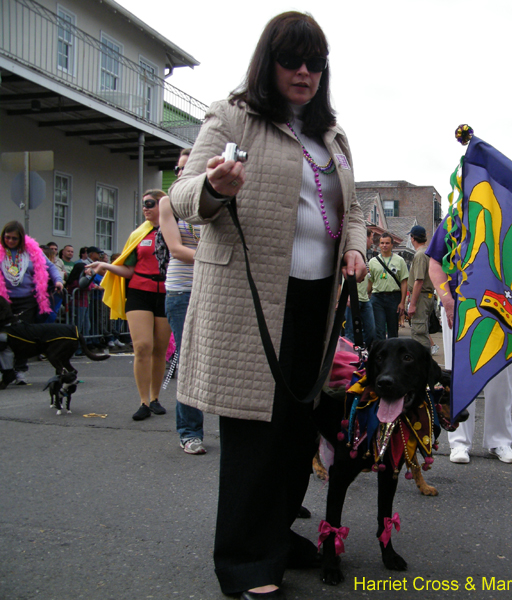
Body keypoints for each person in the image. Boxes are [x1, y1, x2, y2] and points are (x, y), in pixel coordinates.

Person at [167, 12, 367, 599]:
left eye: (315, 62)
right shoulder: (234, 117)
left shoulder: (332, 135)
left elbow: (352, 210)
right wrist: (215, 186)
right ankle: (246, 564)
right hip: (249, 298)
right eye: (291, 60)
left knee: (299, 433)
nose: (304, 72)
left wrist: (354, 250)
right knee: (257, 434)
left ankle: (275, 536)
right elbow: (182, 196)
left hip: (314, 300)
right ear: (269, 63)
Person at [427, 224, 512, 464]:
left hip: (502, 307)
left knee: (501, 376)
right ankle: (458, 442)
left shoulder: (506, 212)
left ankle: (500, 440)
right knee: (461, 375)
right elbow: (435, 262)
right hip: (460, 308)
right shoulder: (452, 221)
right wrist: (446, 299)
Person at [89, 191, 171, 421]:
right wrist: (105, 266)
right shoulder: (138, 233)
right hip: (139, 293)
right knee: (143, 346)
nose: (145, 208)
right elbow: (128, 269)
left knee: (159, 350)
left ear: (163, 204)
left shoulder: (175, 229)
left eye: (150, 204)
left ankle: (155, 398)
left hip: (166, 293)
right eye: (143, 204)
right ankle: (143, 401)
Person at [160, 150, 207, 455]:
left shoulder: (213, 203)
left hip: (214, 289)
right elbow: (176, 249)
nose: (179, 175)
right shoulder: (168, 203)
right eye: (177, 169)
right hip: (182, 291)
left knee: (220, 360)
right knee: (189, 360)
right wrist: (215, 257)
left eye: (186, 169)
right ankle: (189, 432)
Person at [0, 221, 64, 383]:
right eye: (7, 238)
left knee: (21, 336)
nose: (10, 241)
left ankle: (20, 370)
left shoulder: (32, 252)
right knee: (3, 336)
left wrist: (58, 281)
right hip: (3, 302)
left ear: (21, 238)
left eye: (14, 238)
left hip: (27, 301)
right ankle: (6, 370)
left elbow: (50, 267)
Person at [368, 232, 408, 339]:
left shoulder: (399, 261)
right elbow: (370, 282)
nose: (384, 245)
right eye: (382, 243)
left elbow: (404, 281)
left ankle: (393, 354)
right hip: (377, 298)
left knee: (393, 329)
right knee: (379, 330)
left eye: (387, 243)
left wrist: (402, 302)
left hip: (393, 297)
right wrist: (366, 297)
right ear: (379, 245)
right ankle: (381, 354)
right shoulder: (372, 262)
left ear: (392, 245)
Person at [406, 225, 435, 351]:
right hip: (427, 296)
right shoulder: (429, 253)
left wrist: (412, 304)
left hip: (421, 297)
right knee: (423, 329)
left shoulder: (420, 255)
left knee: (419, 332)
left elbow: (419, 281)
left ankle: (422, 366)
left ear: (413, 238)